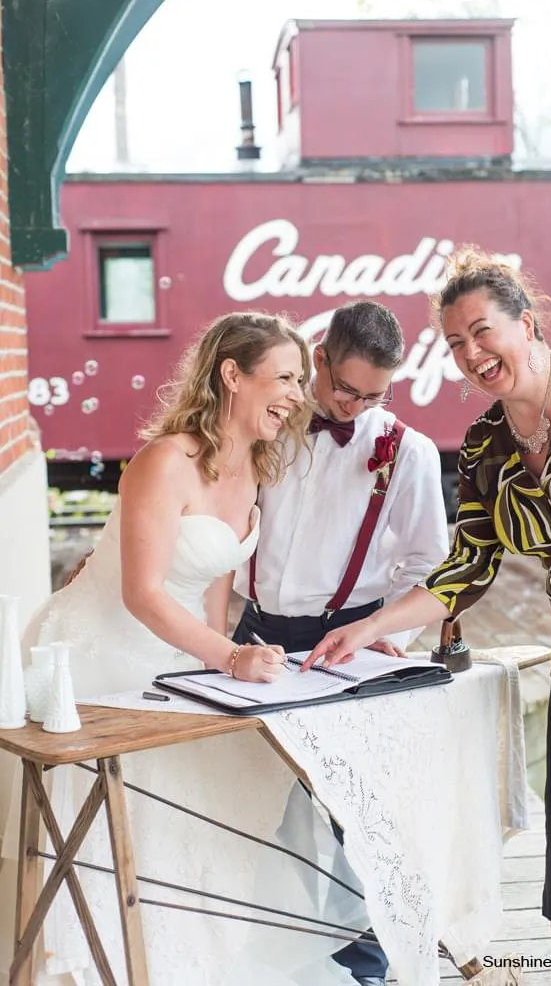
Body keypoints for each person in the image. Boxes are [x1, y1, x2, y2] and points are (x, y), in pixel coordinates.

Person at [306, 251, 551, 986]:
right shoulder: (485, 448)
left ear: (525, 324)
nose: (472, 354)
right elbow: (464, 569)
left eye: (482, 332)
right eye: (455, 344)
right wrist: (368, 628)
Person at [1, 313, 369, 986]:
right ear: (233, 375)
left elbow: (210, 599)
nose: (298, 394)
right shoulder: (164, 462)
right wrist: (228, 660)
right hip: (96, 662)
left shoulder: (254, 468)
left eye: (300, 379)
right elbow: (143, 593)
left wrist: (223, 666)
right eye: (285, 377)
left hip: (174, 663)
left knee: (213, 815)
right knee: (123, 832)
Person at [233, 299, 450, 986]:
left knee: (351, 810)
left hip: (343, 645)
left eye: (373, 395)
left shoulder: (405, 452)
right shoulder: (267, 427)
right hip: (255, 636)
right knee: (262, 804)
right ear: (317, 356)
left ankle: (364, 965)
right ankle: (278, 951)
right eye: (344, 389)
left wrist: (391, 633)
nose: (354, 407)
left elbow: (428, 563)